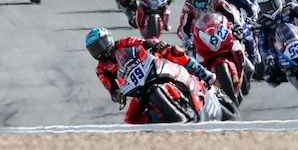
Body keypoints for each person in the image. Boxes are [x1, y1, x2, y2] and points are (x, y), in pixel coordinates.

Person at [84, 27, 214, 124]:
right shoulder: (101, 68)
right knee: (130, 119)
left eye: (99, 45)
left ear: (108, 40)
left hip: (149, 68)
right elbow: (110, 87)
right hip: (136, 87)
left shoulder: (123, 43)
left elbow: (142, 43)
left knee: (172, 51)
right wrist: (117, 95)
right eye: (94, 49)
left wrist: (154, 45)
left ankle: (201, 72)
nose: (99, 51)